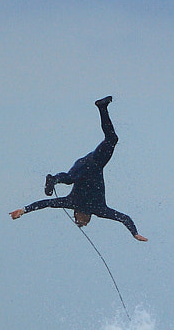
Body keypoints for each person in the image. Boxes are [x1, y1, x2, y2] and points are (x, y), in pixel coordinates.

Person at [10, 96, 147, 241]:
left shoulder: (71, 202)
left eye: (79, 222)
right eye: (84, 223)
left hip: (85, 164)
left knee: (70, 179)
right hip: (96, 164)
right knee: (112, 140)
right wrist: (135, 233)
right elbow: (124, 218)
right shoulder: (100, 210)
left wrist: (24, 210)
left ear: (75, 214)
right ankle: (102, 107)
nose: (84, 223)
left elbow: (45, 204)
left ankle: (53, 180)